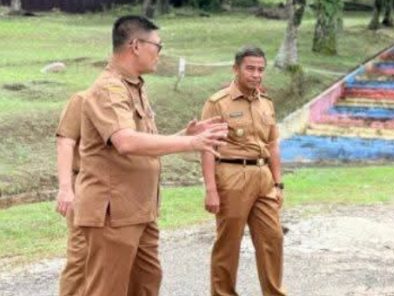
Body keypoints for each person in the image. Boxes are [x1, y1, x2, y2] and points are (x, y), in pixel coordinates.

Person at [75, 15, 228, 296]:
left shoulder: (134, 86)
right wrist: (191, 142)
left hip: (140, 209)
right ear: (135, 46)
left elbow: (144, 144)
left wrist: (184, 135)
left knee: (146, 284)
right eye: (158, 46)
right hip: (114, 213)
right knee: (108, 289)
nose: (160, 53)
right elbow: (126, 142)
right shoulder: (109, 88)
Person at [200, 46, 285, 296]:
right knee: (229, 244)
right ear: (235, 69)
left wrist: (278, 184)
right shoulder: (218, 103)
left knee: (273, 239)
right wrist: (211, 190)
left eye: (261, 69)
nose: (256, 74)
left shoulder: (266, 103)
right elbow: (207, 147)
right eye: (250, 68)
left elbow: (272, 145)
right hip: (232, 175)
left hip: (263, 176)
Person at [55, 91, 86, 296]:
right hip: (84, 183)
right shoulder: (83, 99)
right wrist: (65, 189)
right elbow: (65, 141)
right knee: (81, 256)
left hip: (119, 190)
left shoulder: (135, 97)